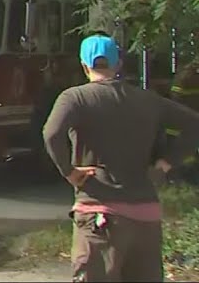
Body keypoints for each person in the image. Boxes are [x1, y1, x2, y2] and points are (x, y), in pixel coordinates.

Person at [42, 33, 199, 282]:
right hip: (146, 218)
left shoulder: (74, 98)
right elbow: (193, 124)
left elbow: (51, 134)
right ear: (118, 64)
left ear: (84, 66)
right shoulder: (148, 99)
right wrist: (166, 162)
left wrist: (70, 172)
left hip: (99, 216)